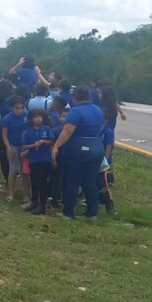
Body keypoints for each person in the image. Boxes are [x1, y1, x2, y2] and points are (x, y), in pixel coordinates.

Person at [52, 85, 106, 219]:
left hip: (78, 148)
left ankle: (68, 212)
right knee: (90, 181)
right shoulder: (98, 110)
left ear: (75, 98)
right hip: (97, 147)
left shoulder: (76, 112)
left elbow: (68, 131)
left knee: (72, 180)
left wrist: (56, 146)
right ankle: (92, 212)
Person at [21, 109, 55, 215]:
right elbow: (24, 145)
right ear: (31, 119)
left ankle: (42, 205)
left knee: (42, 182)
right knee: (34, 181)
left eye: (40, 116)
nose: (38, 119)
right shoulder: (28, 131)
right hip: (33, 159)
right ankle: (34, 201)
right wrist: (34, 145)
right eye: (36, 117)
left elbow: (52, 141)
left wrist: (43, 142)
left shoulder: (46, 129)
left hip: (45, 159)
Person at [2, 95, 29, 203]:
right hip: (13, 145)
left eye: (21, 108)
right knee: (12, 170)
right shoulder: (7, 118)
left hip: (24, 146)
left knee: (25, 171)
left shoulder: (27, 117)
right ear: (12, 108)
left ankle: (27, 193)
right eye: (16, 108)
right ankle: (11, 192)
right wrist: (8, 147)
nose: (19, 111)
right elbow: (4, 135)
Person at [0, 79, 16, 191]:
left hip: (4, 129)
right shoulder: (11, 100)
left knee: (4, 155)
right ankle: (10, 179)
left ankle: (8, 180)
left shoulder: (0, 100)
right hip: (13, 130)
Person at [98, 121, 116, 214]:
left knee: (103, 183)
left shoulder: (108, 132)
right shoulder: (97, 129)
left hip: (103, 162)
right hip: (96, 159)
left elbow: (109, 147)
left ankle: (110, 204)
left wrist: (105, 160)